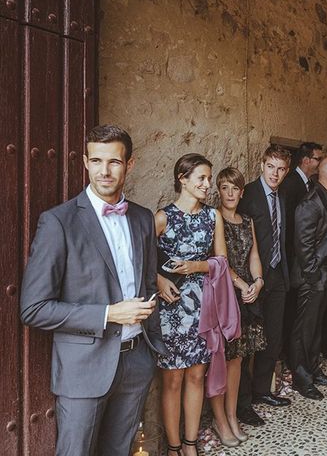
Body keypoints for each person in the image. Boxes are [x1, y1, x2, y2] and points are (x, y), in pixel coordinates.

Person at [20, 124, 167, 455]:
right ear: (85, 162)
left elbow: (146, 282)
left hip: (136, 362)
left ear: (130, 164)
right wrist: (109, 314)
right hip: (84, 368)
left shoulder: (143, 218)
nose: (105, 171)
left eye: (114, 162)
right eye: (97, 161)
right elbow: (33, 308)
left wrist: (150, 343)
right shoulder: (58, 222)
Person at [155, 153, 227, 454]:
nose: (208, 184)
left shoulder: (213, 217)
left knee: (197, 374)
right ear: (182, 179)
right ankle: (173, 447)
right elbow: (141, 260)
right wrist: (159, 281)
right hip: (170, 310)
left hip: (201, 306)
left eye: (209, 178)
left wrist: (196, 266)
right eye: (202, 178)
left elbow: (221, 260)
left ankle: (189, 444)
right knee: (172, 380)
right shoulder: (162, 217)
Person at [237, 145, 292, 418]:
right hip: (253, 279)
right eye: (271, 167)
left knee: (273, 336)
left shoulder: (283, 197)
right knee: (248, 343)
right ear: (262, 165)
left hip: (278, 277)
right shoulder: (248, 194)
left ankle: (262, 391)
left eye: (281, 169)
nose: (275, 173)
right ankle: (243, 404)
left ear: (287, 171)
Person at [217, 167, 267, 445]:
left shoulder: (247, 221)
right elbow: (219, 260)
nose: (230, 193)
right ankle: (221, 418)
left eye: (235, 188)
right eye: (225, 188)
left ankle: (232, 414)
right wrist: (241, 284)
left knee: (238, 359)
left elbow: (254, 255)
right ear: (219, 191)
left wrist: (258, 282)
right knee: (223, 359)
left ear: (241, 192)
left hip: (248, 292)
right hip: (226, 292)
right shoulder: (214, 219)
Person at [289, 157, 327, 400]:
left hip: (323, 276)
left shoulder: (326, 198)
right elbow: (303, 248)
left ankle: (313, 370)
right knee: (303, 330)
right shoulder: (310, 203)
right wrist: (313, 278)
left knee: (315, 328)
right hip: (311, 278)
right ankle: (301, 378)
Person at [279, 142, 323, 364]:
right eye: (317, 159)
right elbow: (291, 228)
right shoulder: (291, 185)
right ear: (306, 160)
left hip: (303, 261)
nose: (319, 163)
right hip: (296, 260)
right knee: (293, 314)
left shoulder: (308, 183)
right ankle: (290, 358)